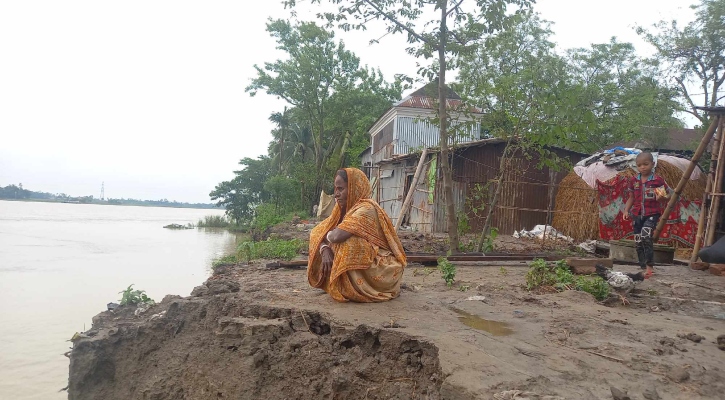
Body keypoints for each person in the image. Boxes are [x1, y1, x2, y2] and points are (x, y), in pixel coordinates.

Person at [308, 168, 407, 302]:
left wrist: (328, 237)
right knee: (330, 244)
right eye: (335, 189)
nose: (336, 194)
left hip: (383, 269)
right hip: (366, 264)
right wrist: (324, 248)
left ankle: (355, 289)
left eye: (341, 189)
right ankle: (346, 287)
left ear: (355, 188)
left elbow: (337, 236)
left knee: (349, 243)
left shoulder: (367, 208)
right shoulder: (342, 209)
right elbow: (317, 232)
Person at [623, 152, 670, 279]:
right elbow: (631, 197)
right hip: (637, 214)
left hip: (651, 213)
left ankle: (650, 266)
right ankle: (643, 267)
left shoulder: (657, 180)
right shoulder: (634, 180)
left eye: (646, 164)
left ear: (652, 164)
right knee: (638, 241)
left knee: (646, 236)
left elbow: (665, 197)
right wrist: (626, 210)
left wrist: (661, 197)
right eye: (639, 165)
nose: (642, 167)